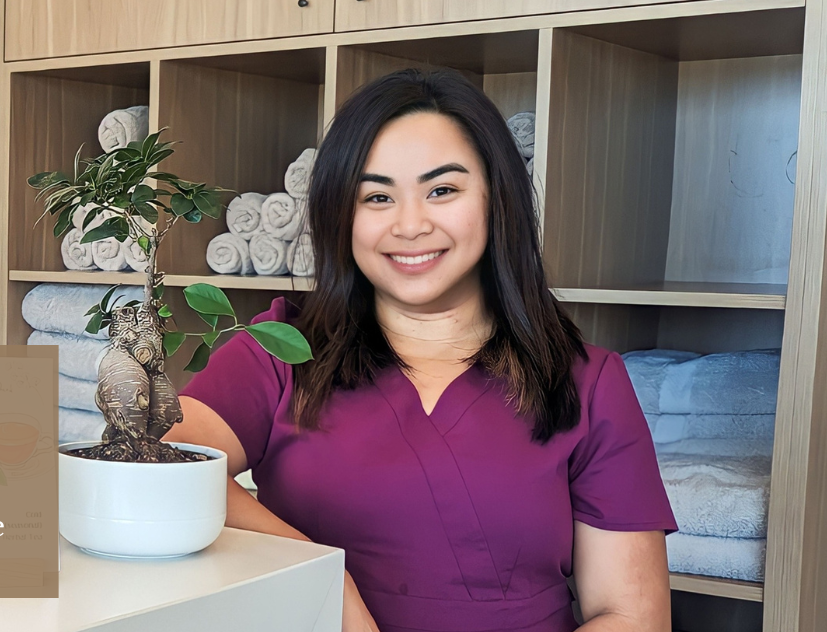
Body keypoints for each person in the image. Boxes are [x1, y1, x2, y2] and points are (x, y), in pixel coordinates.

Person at [166, 69, 677, 632]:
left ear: (495, 198)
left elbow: (630, 615)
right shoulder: (281, 349)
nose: (410, 225)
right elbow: (165, 468)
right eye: (377, 196)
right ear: (343, 214)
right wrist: (321, 578)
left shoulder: (590, 382)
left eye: (442, 190)